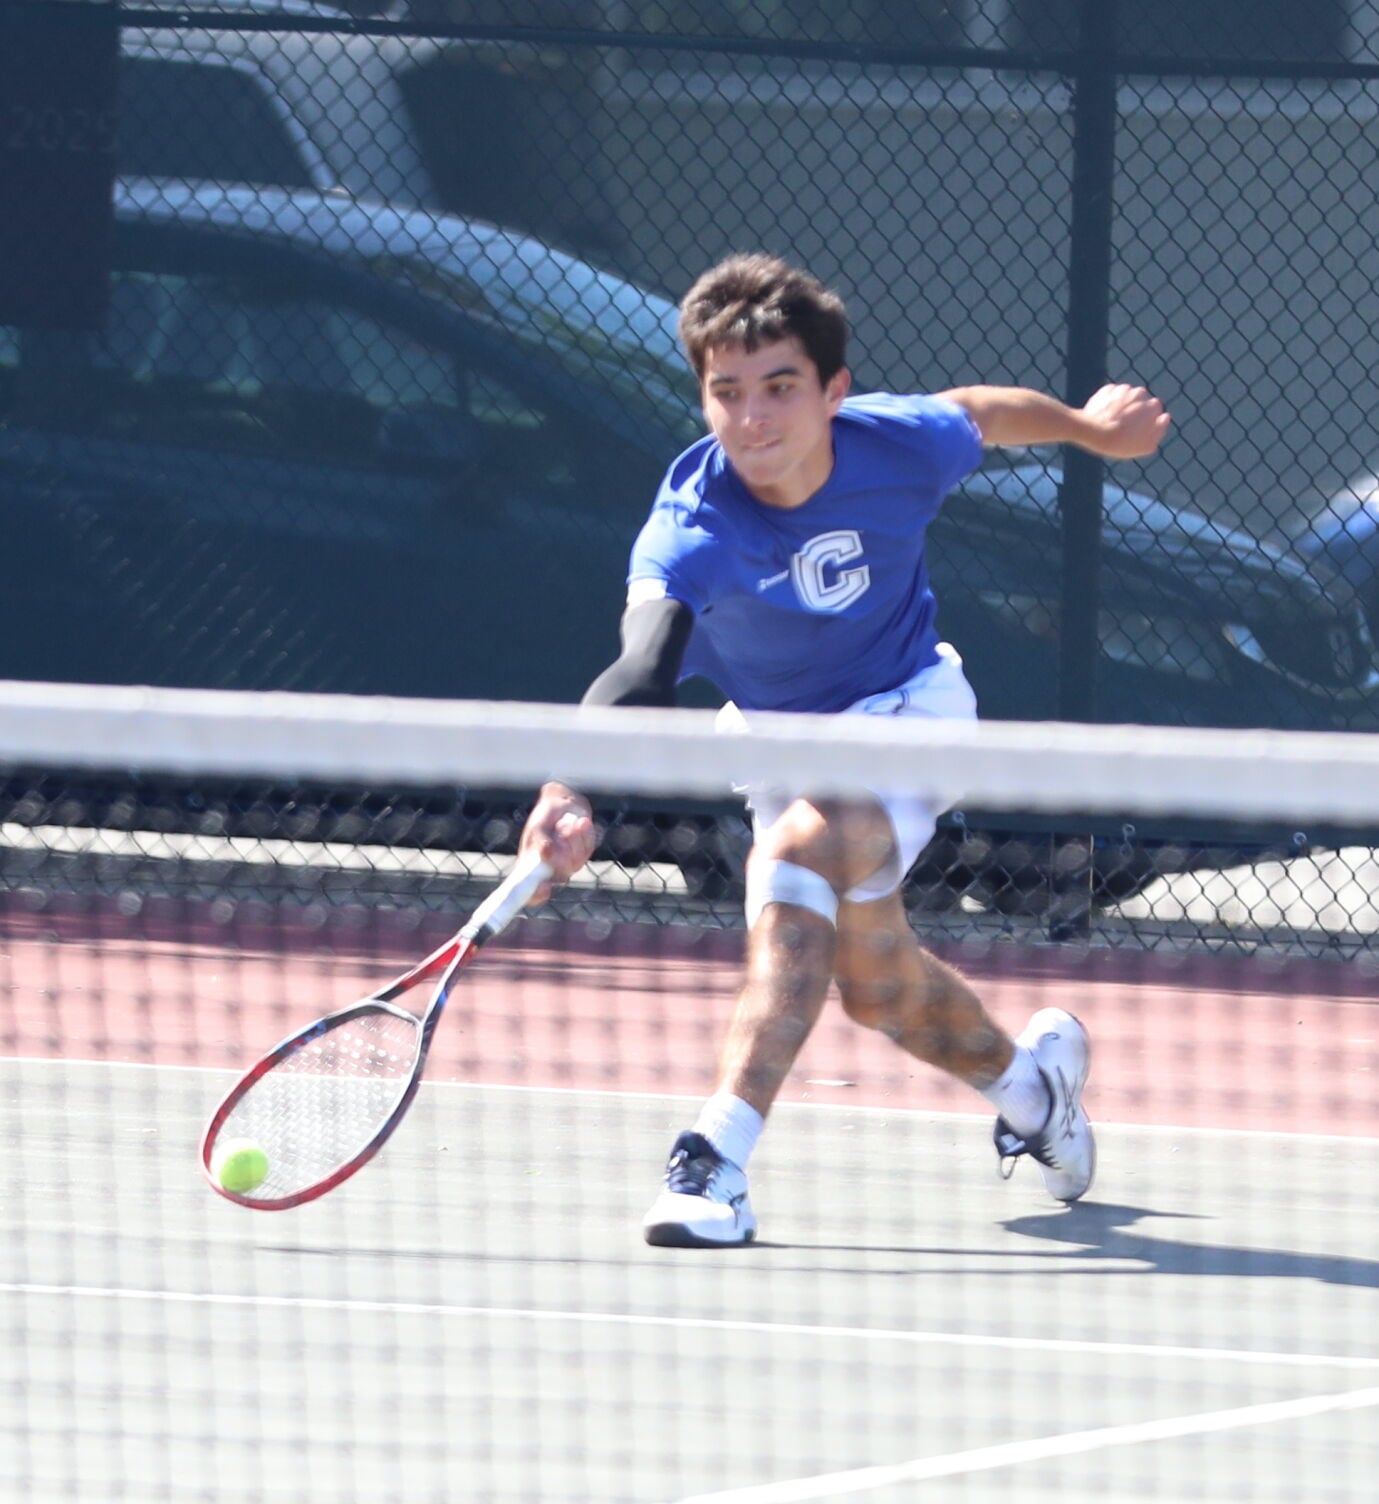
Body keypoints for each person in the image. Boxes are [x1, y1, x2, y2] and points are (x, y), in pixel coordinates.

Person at [517, 253, 1170, 1247]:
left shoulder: (894, 445)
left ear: (833, 391)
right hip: (777, 741)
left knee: (796, 856)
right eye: (725, 393)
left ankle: (713, 1159)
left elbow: (983, 410)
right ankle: (1035, 1095)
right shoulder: (688, 526)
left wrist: (1086, 429)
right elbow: (643, 665)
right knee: (876, 988)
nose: (751, 418)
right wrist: (569, 784)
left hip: (909, 708)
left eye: (778, 387)